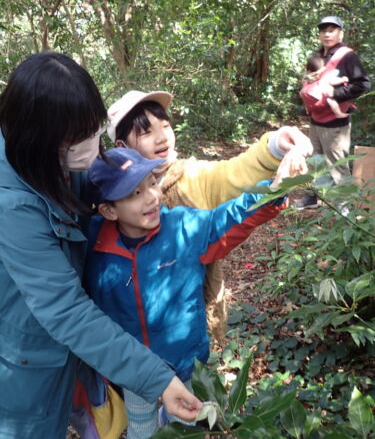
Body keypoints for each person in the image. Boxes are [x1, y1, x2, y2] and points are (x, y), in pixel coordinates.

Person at [0, 52, 201, 439]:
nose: (92, 147)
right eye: (78, 139)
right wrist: (157, 379)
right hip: (27, 366)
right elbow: (65, 310)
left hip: (69, 356)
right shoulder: (12, 204)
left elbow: (111, 186)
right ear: (41, 140)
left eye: (94, 130)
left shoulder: (58, 160)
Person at [84, 146, 303, 439]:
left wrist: (274, 189)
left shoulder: (182, 228)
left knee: (184, 426)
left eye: (151, 183)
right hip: (134, 367)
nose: (151, 196)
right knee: (141, 426)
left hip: (184, 362)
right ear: (108, 210)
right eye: (134, 193)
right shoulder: (91, 244)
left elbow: (229, 218)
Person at [106, 90, 313, 340]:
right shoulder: (108, 196)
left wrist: (275, 146)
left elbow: (233, 172)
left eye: (165, 126)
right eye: (146, 132)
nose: (162, 138)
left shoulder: (192, 176)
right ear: (122, 146)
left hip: (192, 326)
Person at [296, 15, 371, 210]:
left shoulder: (347, 56)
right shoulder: (319, 56)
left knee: (337, 164)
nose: (327, 34)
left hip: (335, 123)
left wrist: (336, 93)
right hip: (316, 119)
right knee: (314, 160)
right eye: (324, 30)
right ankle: (312, 197)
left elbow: (363, 84)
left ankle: (344, 206)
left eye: (332, 30)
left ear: (340, 32)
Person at [301, 54, 352, 119]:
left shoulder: (306, 77)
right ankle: (338, 113)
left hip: (307, 96)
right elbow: (332, 81)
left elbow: (304, 83)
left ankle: (308, 110)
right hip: (318, 96)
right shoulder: (323, 76)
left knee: (305, 98)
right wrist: (343, 79)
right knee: (331, 99)